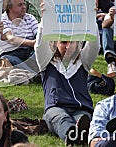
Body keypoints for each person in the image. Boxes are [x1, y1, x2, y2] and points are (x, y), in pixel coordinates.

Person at [34, 11, 100, 145]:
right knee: (61, 119)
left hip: (81, 107)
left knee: (84, 118)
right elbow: (39, 45)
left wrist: (92, 18)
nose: (68, 46)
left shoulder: (83, 61)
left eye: (72, 42)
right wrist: (44, 19)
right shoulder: (46, 62)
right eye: (63, 42)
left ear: (78, 43)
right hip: (55, 107)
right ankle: (72, 135)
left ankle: (82, 131)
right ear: (55, 43)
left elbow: (94, 45)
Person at [0, 0, 38, 72]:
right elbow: (11, 38)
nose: (24, 7)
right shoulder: (2, 19)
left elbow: (38, 34)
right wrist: (32, 43)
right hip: (11, 53)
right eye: (20, 5)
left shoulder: (30, 18)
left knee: (39, 52)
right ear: (10, 8)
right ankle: (34, 74)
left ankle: (30, 72)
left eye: (24, 4)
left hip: (30, 51)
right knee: (9, 60)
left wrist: (37, 44)